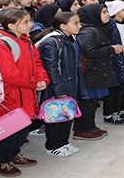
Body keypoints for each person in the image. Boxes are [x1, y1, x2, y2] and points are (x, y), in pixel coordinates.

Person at [0, 9, 49, 176]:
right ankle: (1, 161)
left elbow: (38, 63)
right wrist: (33, 82)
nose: (30, 25)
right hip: (12, 94)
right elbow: (9, 74)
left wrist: (42, 79)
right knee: (10, 130)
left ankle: (13, 154)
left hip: (27, 92)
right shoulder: (2, 43)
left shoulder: (27, 41)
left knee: (24, 127)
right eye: (25, 22)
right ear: (11, 25)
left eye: (29, 21)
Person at [35, 12, 85, 157]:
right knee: (55, 117)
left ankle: (63, 142)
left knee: (67, 115)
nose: (79, 26)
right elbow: (52, 68)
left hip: (70, 83)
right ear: (63, 26)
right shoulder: (53, 42)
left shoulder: (71, 38)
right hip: (57, 87)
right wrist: (59, 89)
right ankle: (52, 146)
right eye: (75, 23)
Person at [74, 4, 121, 140]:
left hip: (98, 72)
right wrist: (111, 49)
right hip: (90, 73)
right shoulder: (88, 31)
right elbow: (89, 52)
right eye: (104, 12)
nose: (107, 15)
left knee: (93, 102)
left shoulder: (99, 28)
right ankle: (82, 130)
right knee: (87, 103)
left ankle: (90, 126)